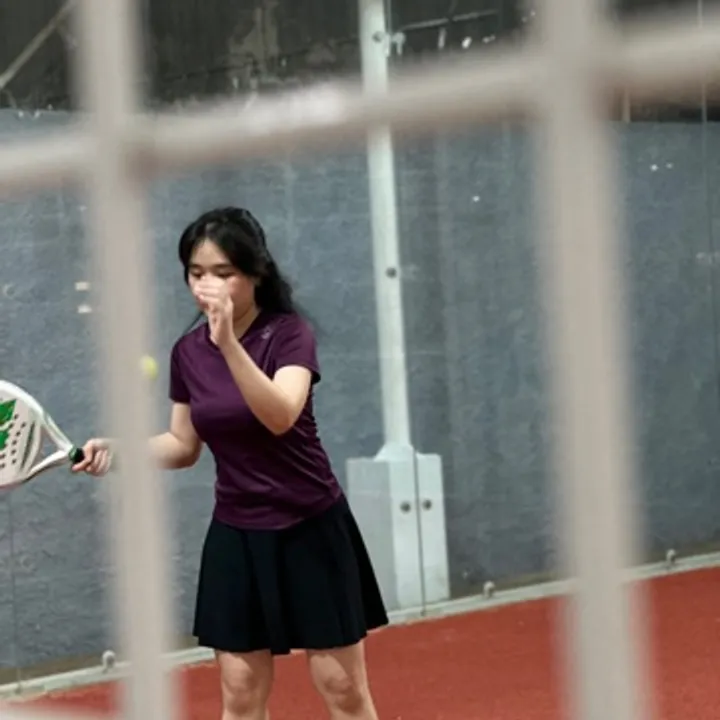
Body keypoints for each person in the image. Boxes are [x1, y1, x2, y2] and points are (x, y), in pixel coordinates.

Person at [73, 206, 389, 720]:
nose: (207, 286)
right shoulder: (187, 353)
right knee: (239, 691)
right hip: (237, 532)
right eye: (196, 273)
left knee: (342, 688)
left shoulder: (289, 334)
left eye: (223, 273)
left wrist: (228, 346)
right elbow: (183, 445)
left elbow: (281, 414)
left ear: (255, 274)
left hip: (310, 525)